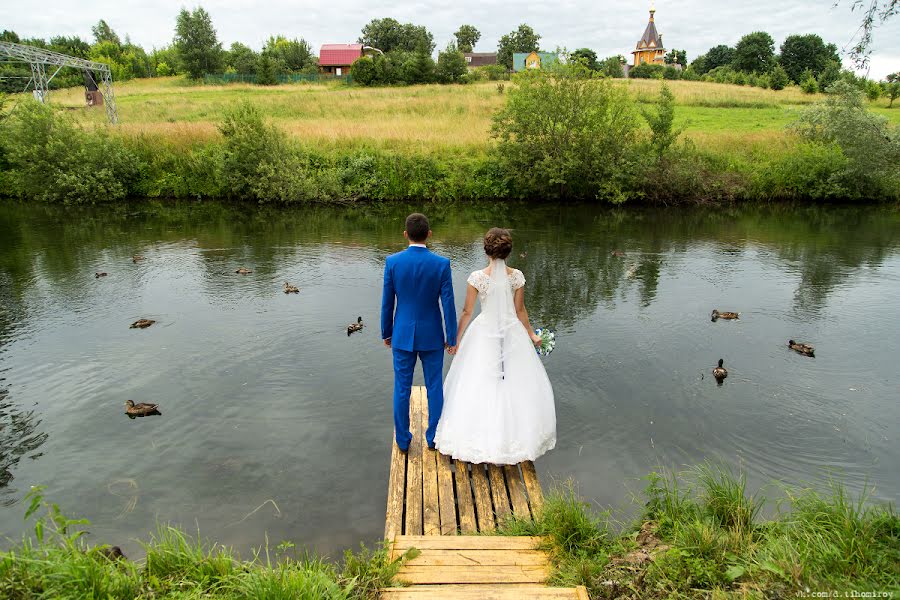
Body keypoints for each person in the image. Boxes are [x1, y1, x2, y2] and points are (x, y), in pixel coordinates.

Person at [435, 228, 556, 464]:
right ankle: (514, 436)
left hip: (484, 332)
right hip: (512, 333)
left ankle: (478, 436)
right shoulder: (517, 276)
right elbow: (520, 311)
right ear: (508, 252)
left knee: (478, 380)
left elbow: (468, 312)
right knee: (515, 380)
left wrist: (456, 340)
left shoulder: (477, 278)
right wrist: (531, 335)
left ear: (486, 250)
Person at [381, 213, 457, 452]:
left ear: (405, 235)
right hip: (432, 335)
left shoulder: (392, 262)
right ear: (429, 235)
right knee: (435, 385)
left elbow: (387, 302)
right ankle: (433, 438)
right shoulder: (442, 264)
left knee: (401, 388)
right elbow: (448, 304)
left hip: (402, 334)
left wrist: (386, 332)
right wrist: (451, 337)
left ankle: (403, 441)